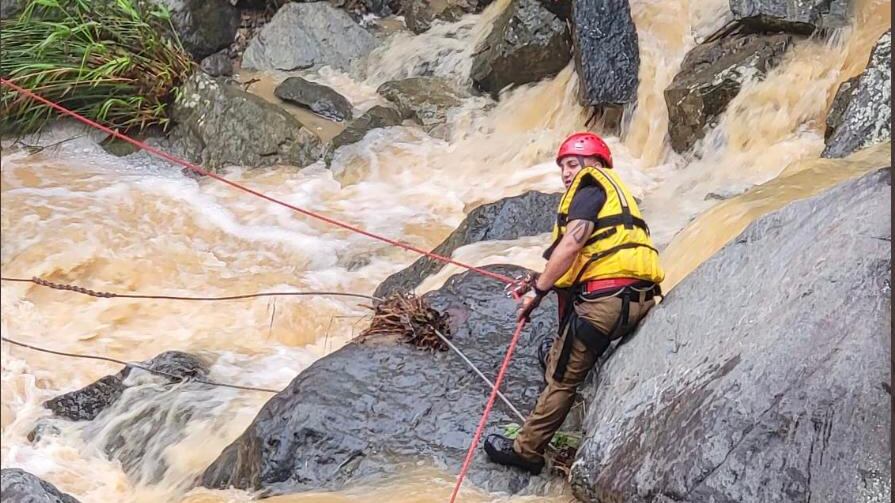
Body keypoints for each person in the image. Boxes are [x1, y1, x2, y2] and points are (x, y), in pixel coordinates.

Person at [483, 132, 665, 474]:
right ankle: (558, 354)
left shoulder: (588, 191)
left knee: (562, 381)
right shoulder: (616, 197)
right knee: (562, 350)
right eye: (562, 167)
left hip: (605, 308)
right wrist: (540, 281)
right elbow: (579, 266)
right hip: (640, 301)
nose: (567, 173)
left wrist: (537, 291)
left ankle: (527, 451)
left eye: (572, 164)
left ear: (594, 164)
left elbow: (571, 247)